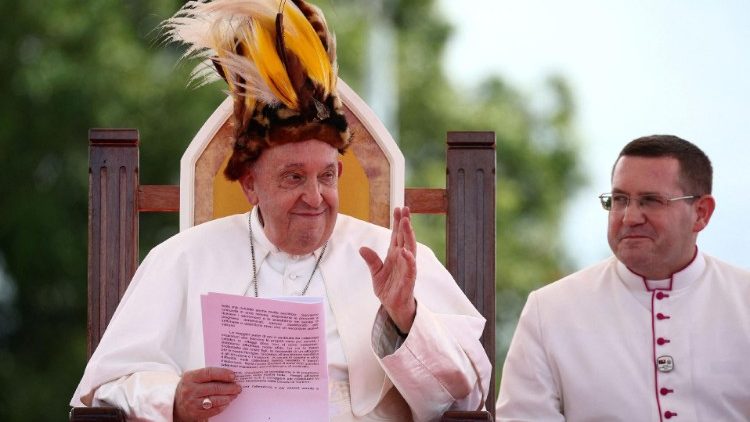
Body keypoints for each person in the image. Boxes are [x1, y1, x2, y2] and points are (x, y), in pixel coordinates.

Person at [70, 1, 491, 421]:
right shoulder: (181, 259)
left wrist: (406, 316)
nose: (315, 196)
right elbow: (103, 392)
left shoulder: (392, 260)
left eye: (327, 176)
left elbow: (467, 399)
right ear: (250, 184)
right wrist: (173, 399)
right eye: (293, 177)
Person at [496, 135, 750, 421]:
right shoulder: (550, 310)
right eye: (619, 200)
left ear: (701, 213)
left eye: (651, 201)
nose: (629, 217)